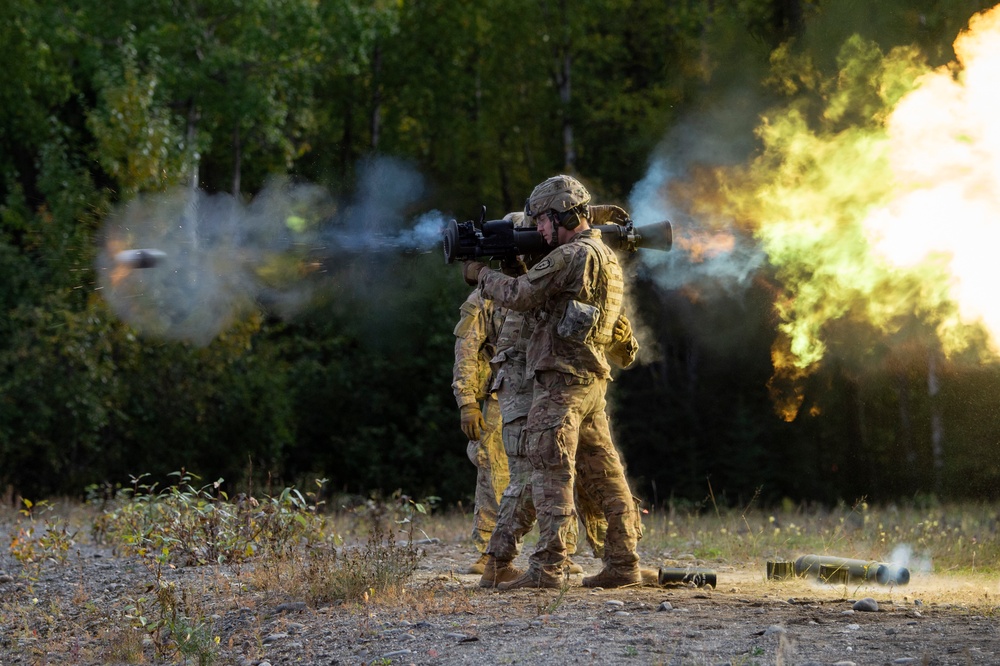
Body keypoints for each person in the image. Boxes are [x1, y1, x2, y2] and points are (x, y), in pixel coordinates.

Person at [464, 174, 646, 589]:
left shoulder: (569, 256)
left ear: (561, 213)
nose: (539, 230)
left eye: (543, 221)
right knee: (605, 474)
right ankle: (623, 563)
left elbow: (521, 296)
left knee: (549, 473)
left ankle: (547, 569)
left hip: (560, 382)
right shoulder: (605, 256)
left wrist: (481, 274)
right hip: (590, 381)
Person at [452, 284, 509, 574]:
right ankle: (492, 551)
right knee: (491, 466)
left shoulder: (552, 278)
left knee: (558, 467)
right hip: (504, 391)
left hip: (548, 389)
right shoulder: (488, 293)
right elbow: (467, 349)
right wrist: (467, 402)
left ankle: (562, 550)